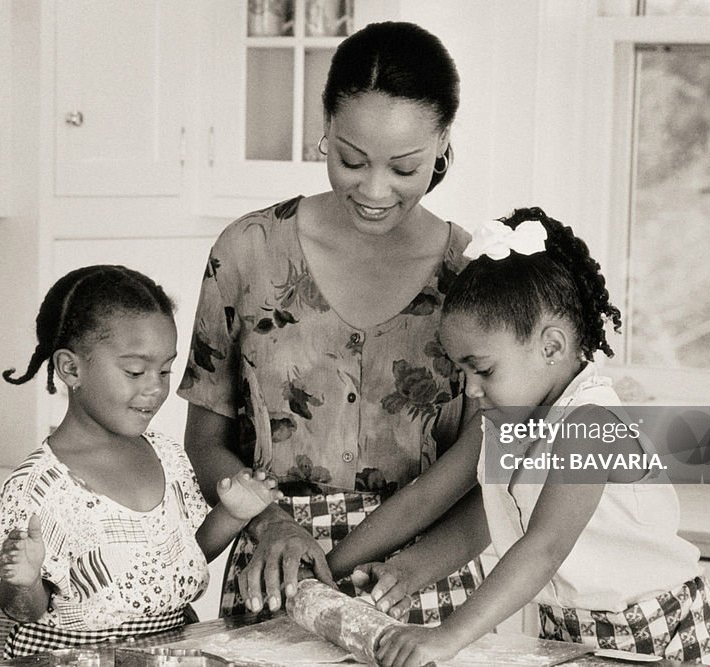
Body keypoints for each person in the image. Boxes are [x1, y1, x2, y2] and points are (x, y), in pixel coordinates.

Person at [178, 21, 483, 622]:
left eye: (403, 168)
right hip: (275, 574)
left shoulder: (472, 276)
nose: (374, 189)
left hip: (419, 586)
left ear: (444, 141)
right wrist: (269, 523)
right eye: (350, 159)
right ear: (325, 129)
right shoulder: (248, 250)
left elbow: (484, 470)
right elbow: (205, 440)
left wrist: (405, 567)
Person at [343, 208, 710, 667]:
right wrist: (394, 571)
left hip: (666, 639)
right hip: (574, 639)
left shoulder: (591, 424)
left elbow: (543, 546)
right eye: (463, 371)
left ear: (551, 347)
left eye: (483, 369)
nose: (470, 389)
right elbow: (438, 504)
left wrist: (446, 636)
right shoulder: (503, 421)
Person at [0, 265, 281, 658]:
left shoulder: (166, 455)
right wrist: (22, 582)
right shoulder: (38, 486)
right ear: (71, 368)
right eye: (135, 371)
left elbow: (180, 560)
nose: (155, 388)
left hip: (169, 654)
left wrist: (233, 514)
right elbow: (22, 611)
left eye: (164, 370)